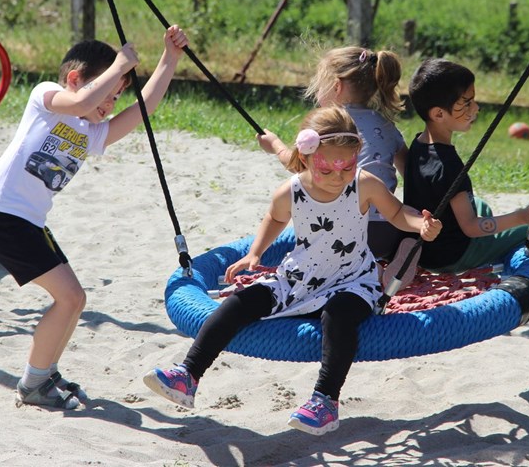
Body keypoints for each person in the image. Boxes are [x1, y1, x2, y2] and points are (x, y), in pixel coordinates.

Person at [143, 106, 442, 435]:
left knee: (338, 317)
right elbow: (274, 218)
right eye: (328, 168)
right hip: (299, 279)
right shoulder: (291, 191)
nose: (339, 176)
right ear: (306, 157)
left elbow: (397, 213)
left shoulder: (364, 184)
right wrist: (254, 253)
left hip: (354, 281)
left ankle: (325, 401)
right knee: (239, 303)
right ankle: (188, 374)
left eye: (348, 165)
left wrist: (420, 225)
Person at [0, 25, 189, 409]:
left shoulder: (91, 132)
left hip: (28, 222)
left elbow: (144, 108)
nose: (110, 104)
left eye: (116, 96)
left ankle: (45, 372)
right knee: (69, 297)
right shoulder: (46, 98)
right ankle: (34, 383)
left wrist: (169, 58)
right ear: (74, 80)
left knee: (75, 300)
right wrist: (118, 65)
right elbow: (76, 103)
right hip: (1, 215)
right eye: (106, 93)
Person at [401, 57, 529, 338]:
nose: (476, 108)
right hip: (450, 256)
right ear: (439, 114)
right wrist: (523, 217)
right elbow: (471, 227)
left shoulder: (418, 144)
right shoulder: (449, 167)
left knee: (480, 205)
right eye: (466, 103)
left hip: (427, 248)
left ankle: (496, 271)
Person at [257, 46, 408, 260]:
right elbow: (408, 169)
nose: (317, 92)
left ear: (336, 86)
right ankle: (393, 257)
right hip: (388, 229)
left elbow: (297, 165)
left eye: (320, 85)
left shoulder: (329, 129)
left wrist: (274, 145)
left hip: (345, 232)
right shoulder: (386, 125)